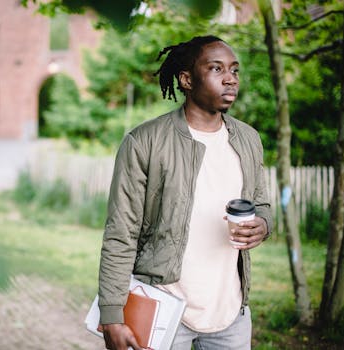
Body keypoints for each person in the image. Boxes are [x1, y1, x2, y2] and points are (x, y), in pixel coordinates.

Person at [97, 35, 273, 350]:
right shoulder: (144, 142)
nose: (231, 78)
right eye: (217, 69)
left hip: (230, 314)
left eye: (234, 70)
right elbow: (120, 232)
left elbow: (261, 205)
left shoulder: (248, 139)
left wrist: (263, 224)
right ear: (187, 79)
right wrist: (111, 314)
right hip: (162, 309)